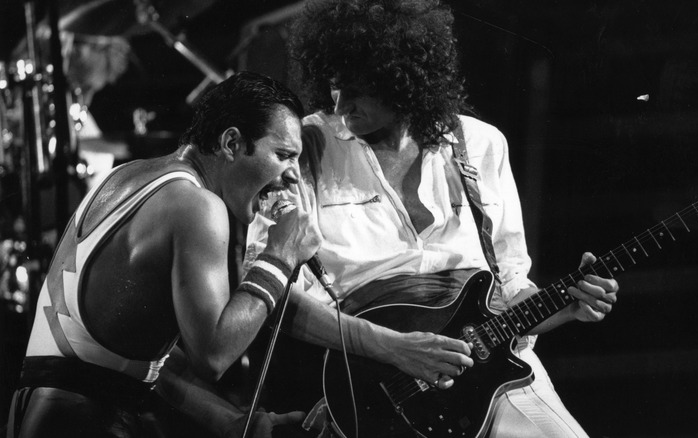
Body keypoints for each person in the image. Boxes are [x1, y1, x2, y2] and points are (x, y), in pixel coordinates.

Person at [244, 0, 620, 437]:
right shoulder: (305, 145)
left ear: (403, 79)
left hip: (489, 375)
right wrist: (396, 349)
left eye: (359, 88)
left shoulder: (481, 145)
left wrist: (565, 307)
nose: (341, 104)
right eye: (334, 86)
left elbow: (508, 288)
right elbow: (270, 293)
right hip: (370, 389)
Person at [5, 71, 321, 438]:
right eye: (284, 155)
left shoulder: (122, 177)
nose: (294, 176)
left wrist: (233, 422)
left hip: (41, 414)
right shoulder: (197, 205)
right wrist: (279, 256)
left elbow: (150, 360)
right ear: (232, 142)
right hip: (84, 420)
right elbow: (213, 356)